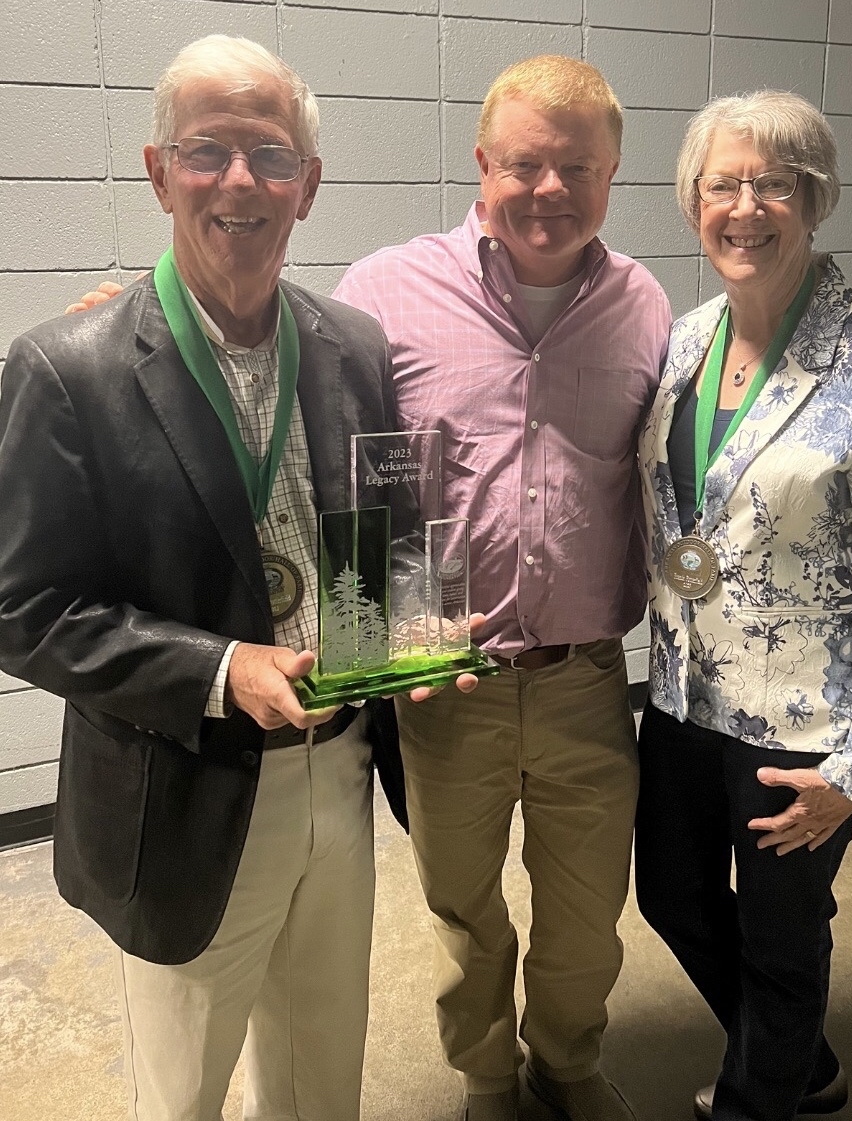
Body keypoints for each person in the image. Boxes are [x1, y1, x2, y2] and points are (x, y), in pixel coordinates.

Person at [0, 34, 473, 1121]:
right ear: (161, 171)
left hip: (340, 769)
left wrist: (418, 630)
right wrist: (219, 668)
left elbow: (381, 535)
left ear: (308, 185)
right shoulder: (67, 366)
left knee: (322, 1078)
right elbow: (23, 608)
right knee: (186, 1093)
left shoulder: (353, 343)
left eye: (270, 153)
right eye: (208, 150)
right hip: (185, 784)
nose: (240, 181)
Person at [334, 56, 671, 1121]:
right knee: (463, 904)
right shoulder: (384, 290)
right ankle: (486, 1074)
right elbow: (336, 463)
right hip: (446, 681)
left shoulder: (645, 304)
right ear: (483, 163)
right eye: (526, 163)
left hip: (584, 678)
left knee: (586, 912)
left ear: (614, 174)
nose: (550, 189)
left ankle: (565, 1062)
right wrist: (377, 637)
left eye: (579, 166)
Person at [634, 90, 852, 1121]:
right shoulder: (682, 344)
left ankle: (763, 1095)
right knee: (671, 895)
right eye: (723, 182)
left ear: (814, 201)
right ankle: (801, 1057)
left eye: (775, 182)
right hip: (683, 697)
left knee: (779, 935)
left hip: (805, 728)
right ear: (693, 203)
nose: (747, 204)